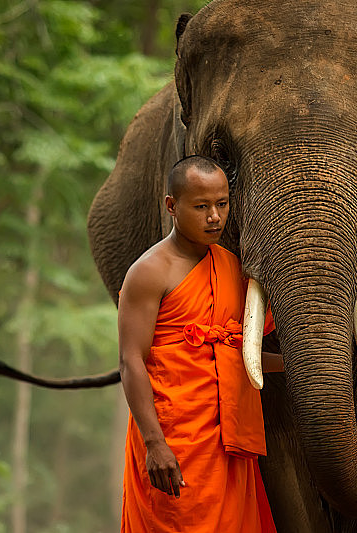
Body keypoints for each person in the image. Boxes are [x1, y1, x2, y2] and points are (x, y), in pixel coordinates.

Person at [117, 155, 282, 532]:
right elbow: (131, 361)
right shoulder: (149, 271)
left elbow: (236, 352)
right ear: (171, 206)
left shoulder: (231, 266)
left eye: (222, 204)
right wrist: (154, 444)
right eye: (201, 206)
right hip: (173, 439)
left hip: (227, 441)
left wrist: (294, 362)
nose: (214, 217)